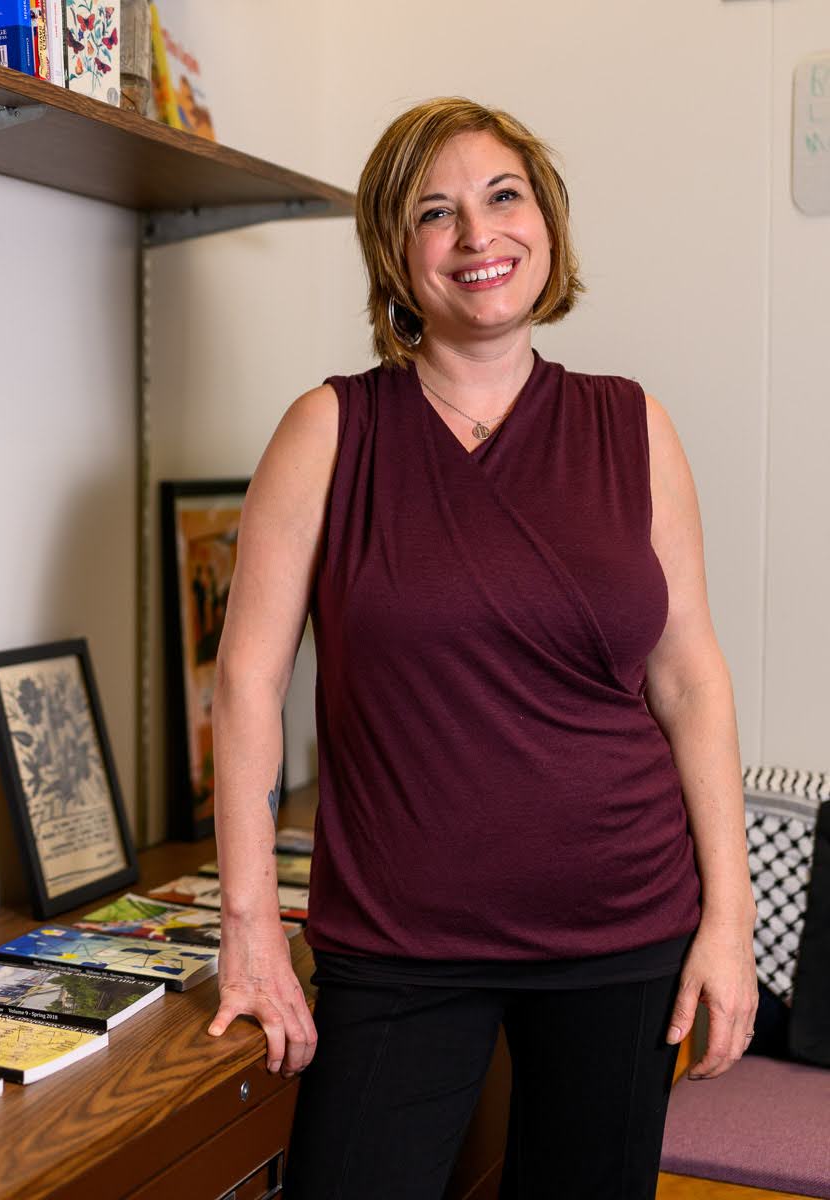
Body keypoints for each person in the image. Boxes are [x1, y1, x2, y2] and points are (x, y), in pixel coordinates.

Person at [204, 98, 757, 1199]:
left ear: (546, 223)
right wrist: (250, 923)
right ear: (396, 256)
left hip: (624, 932)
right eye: (434, 212)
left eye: (503, 197)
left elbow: (689, 678)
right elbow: (247, 683)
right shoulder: (330, 429)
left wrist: (732, 922)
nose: (477, 235)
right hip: (400, 948)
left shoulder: (631, 424)